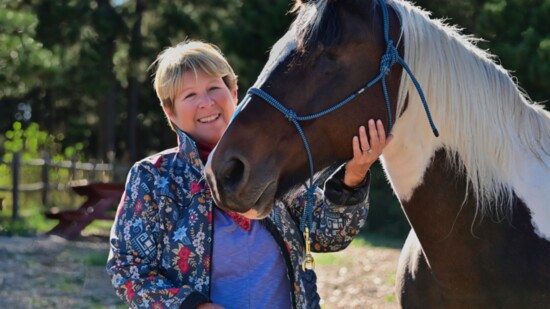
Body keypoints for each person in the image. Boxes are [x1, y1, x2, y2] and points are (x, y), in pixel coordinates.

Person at [106, 40, 393, 309]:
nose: (206, 102)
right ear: (170, 112)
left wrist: (355, 173)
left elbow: (326, 235)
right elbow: (127, 269)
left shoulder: (272, 163)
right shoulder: (153, 179)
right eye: (189, 95)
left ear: (233, 92)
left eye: (214, 88)